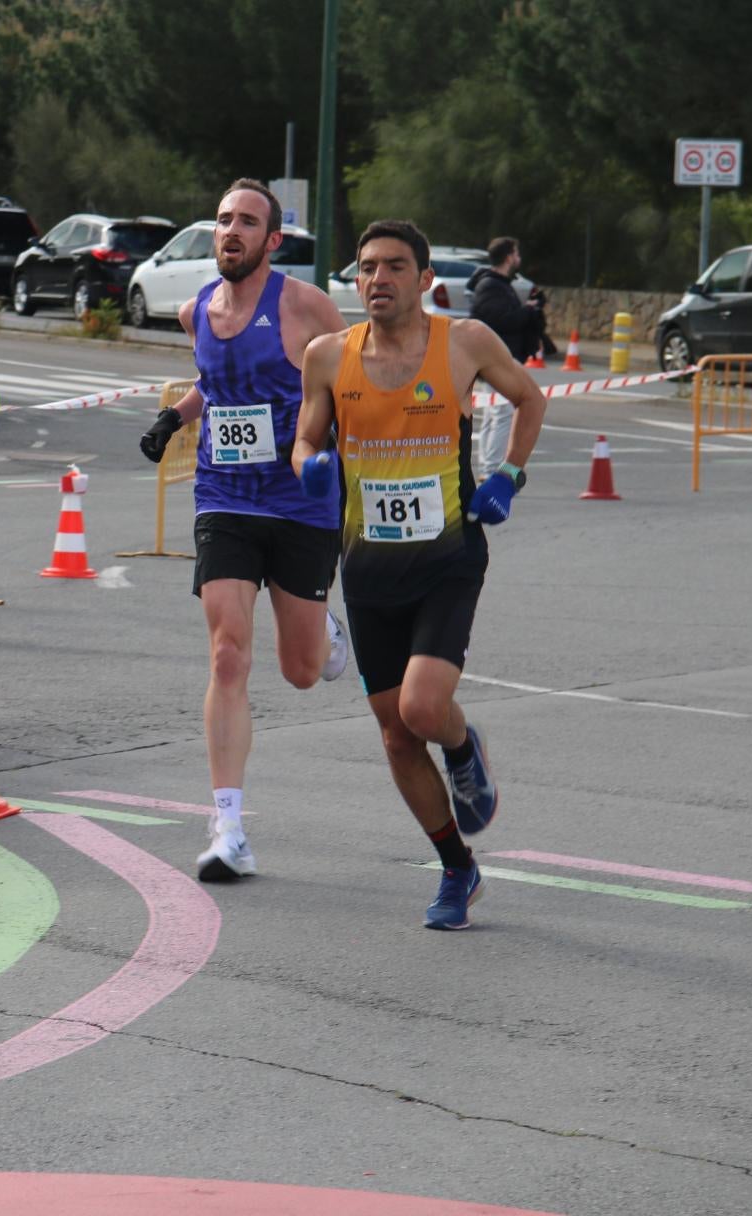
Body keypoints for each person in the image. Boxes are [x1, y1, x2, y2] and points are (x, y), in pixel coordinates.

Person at [293, 219, 547, 930]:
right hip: (368, 568)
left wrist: (510, 476)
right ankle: (457, 868)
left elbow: (531, 399)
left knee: (422, 710)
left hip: (447, 560)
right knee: (397, 737)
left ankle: (465, 750)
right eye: (368, 267)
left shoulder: (463, 343)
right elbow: (307, 435)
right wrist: (309, 468)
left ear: (425, 279)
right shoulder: (325, 356)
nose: (378, 279)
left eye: (395, 266)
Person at [136, 178, 351, 885]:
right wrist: (176, 418)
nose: (230, 230)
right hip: (224, 498)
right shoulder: (197, 311)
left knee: (302, 670)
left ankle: (328, 637)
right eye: (224, 219)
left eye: (246, 222)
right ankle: (228, 827)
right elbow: (213, 382)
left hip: (300, 504)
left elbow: (349, 385)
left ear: (272, 239)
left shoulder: (304, 306)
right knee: (228, 653)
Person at [465, 237, 551, 480]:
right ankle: (491, 469)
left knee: (495, 413)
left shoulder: (498, 284)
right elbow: (500, 319)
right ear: (508, 257)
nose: (519, 259)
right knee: (501, 412)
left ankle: (487, 467)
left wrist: (528, 307)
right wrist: (528, 310)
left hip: (499, 357)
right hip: (494, 359)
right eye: (516, 254)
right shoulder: (491, 285)